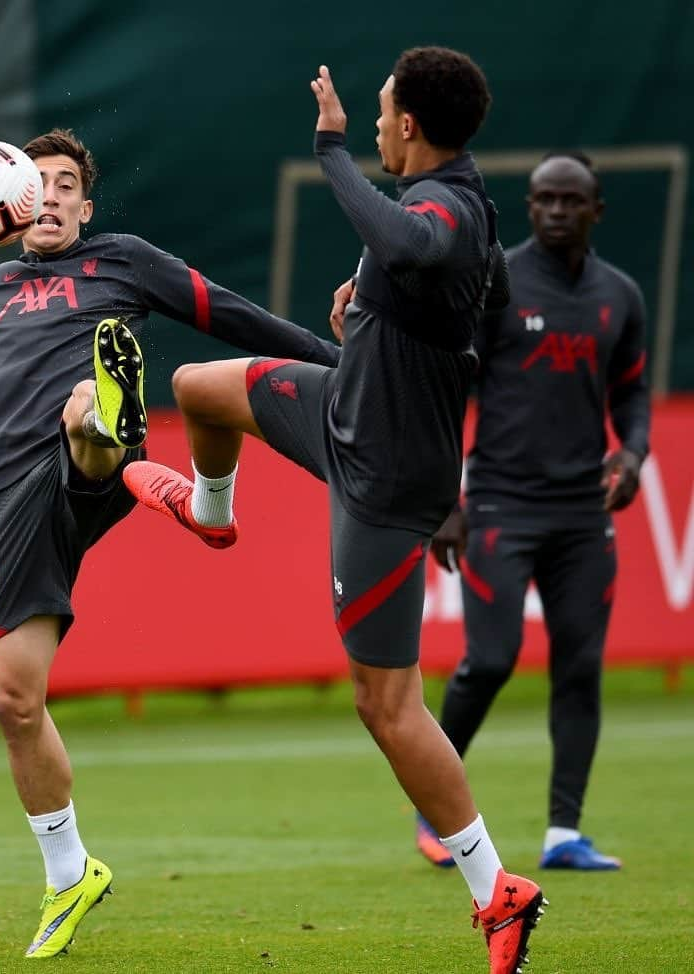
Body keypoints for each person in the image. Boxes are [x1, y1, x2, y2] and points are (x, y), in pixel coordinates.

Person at [0, 96, 339, 959]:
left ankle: (106, 424)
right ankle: (69, 872)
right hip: (14, 501)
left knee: (84, 408)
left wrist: (340, 363)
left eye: (65, 185)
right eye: (34, 183)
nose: (48, 196)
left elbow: (233, 315)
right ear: (5, 206)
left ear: (86, 207)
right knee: (13, 697)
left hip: (86, 467)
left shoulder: (123, 262)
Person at [124, 50, 546, 973]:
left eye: (385, 112)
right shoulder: (455, 202)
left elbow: (418, 245)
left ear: (406, 128)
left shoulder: (442, 205)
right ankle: (210, 511)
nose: (378, 122)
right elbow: (483, 293)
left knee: (385, 702)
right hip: (345, 406)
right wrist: (387, 312)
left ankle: (496, 889)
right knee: (197, 387)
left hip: (388, 475)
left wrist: (331, 152)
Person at [413, 152, 650, 873]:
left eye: (569, 201)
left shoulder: (620, 296)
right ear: (530, 207)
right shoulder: (497, 282)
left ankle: (563, 834)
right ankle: (432, 806)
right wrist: (444, 501)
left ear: (596, 210)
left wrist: (634, 454)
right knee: (490, 658)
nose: (554, 211)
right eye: (543, 199)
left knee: (580, 666)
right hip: (499, 506)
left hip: (583, 514)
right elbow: (450, 389)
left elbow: (633, 393)